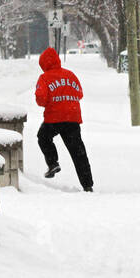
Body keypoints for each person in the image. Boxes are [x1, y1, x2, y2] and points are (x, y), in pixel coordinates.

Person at [34, 46, 93, 192]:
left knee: (43, 137)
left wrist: (52, 100)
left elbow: (41, 99)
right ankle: (87, 184)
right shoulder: (70, 75)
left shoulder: (44, 78)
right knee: (78, 152)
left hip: (54, 118)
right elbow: (79, 94)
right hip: (72, 118)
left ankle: (53, 163)